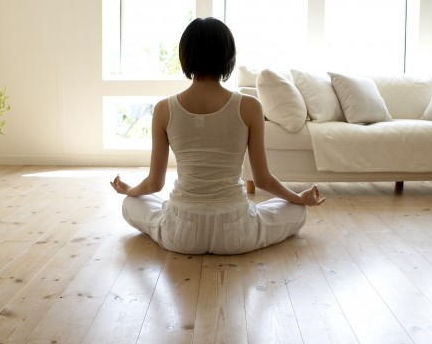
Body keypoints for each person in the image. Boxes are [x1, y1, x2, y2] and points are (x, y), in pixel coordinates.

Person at [111, 17, 325, 255]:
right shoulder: (250, 107)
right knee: (297, 210)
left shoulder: (164, 109)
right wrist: (298, 198)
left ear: (185, 55)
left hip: (181, 233)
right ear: (228, 57)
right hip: (236, 233)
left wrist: (129, 190)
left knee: (131, 203)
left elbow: (154, 183)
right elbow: (262, 179)